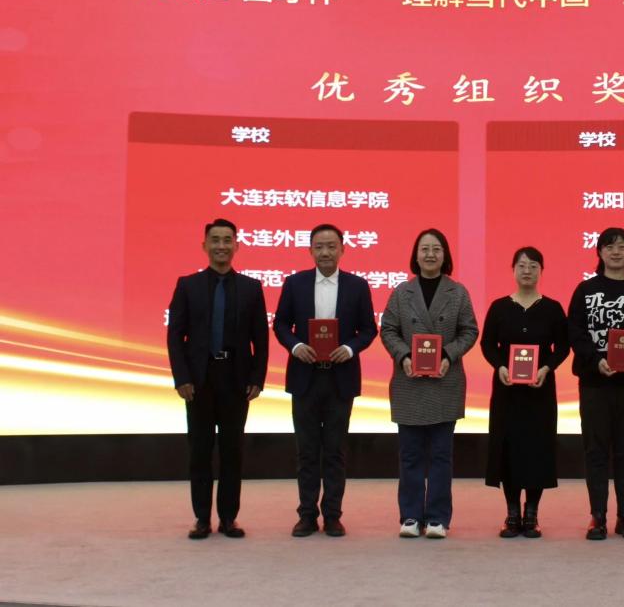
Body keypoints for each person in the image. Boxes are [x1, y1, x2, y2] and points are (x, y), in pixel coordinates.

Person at [273, 223, 378, 538]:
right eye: (319, 246)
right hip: (305, 378)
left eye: (332, 246)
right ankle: (307, 515)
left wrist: (350, 348)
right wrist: (295, 346)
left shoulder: (358, 286)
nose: (326, 252)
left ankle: (332, 515)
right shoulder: (295, 283)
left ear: (343, 249)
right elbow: (281, 325)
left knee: (335, 451)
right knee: (306, 451)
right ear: (310, 250)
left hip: (340, 379)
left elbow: (368, 330)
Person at [167, 218, 268, 540]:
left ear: (236, 245)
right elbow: (175, 337)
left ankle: (228, 518)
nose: (221, 246)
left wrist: (257, 378)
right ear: (205, 245)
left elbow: (260, 339)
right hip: (198, 380)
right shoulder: (188, 285)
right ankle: (201, 518)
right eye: (215, 240)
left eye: (227, 240)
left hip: (236, 379)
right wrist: (181, 377)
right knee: (199, 451)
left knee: (231, 451)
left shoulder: (251, 288)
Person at [380, 228, 479, 539]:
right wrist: (404, 356)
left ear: (445, 255)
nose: (430, 254)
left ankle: (437, 517)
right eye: (424, 249)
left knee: (440, 455)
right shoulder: (401, 292)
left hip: (444, 382)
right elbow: (388, 330)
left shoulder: (458, 292)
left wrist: (449, 354)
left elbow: (470, 331)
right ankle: (410, 516)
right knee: (410, 455)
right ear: (416, 255)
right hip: (409, 382)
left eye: (436, 249)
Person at [567, 227, 624, 541]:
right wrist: (596, 360)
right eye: (609, 246)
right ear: (600, 252)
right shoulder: (585, 290)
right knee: (595, 449)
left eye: (622, 246)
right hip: (595, 383)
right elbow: (576, 332)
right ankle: (597, 516)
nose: (616, 251)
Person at [480, 247, 570, 539]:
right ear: (513, 270)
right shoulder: (499, 307)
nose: (527, 270)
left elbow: (564, 347)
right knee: (508, 449)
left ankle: (531, 513)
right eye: (521, 265)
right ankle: (511, 513)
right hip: (507, 390)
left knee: (537, 449)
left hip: (539, 391)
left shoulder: (553, 308)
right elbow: (487, 344)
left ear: (541, 271)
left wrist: (547, 368)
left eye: (533, 266)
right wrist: (499, 366)